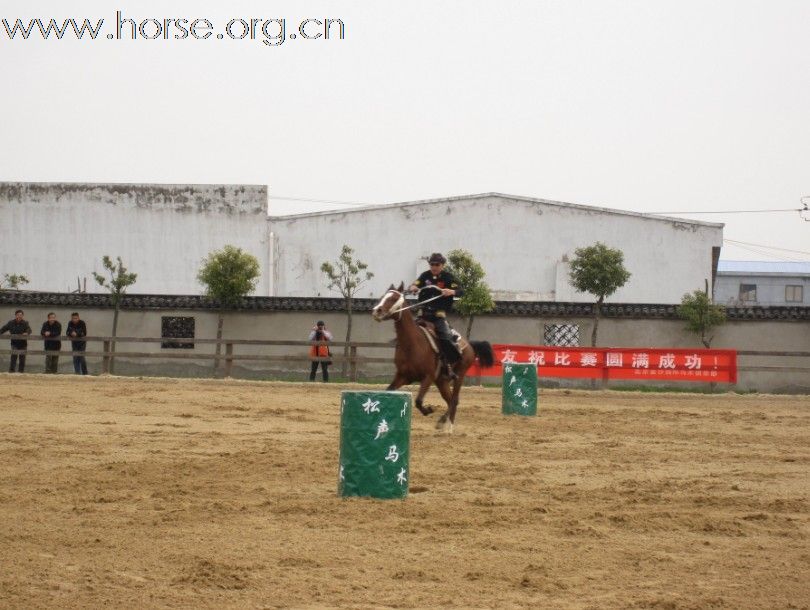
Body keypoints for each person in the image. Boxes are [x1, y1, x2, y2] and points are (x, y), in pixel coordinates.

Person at [408, 252, 464, 379]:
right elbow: (415, 284)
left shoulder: (448, 277)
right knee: (409, 331)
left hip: (438, 314)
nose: (434, 267)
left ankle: (449, 366)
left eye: (437, 264)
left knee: (445, 337)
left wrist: (451, 292)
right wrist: (413, 287)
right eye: (431, 264)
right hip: (423, 312)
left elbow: (461, 291)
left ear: (442, 265)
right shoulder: (424, 276)